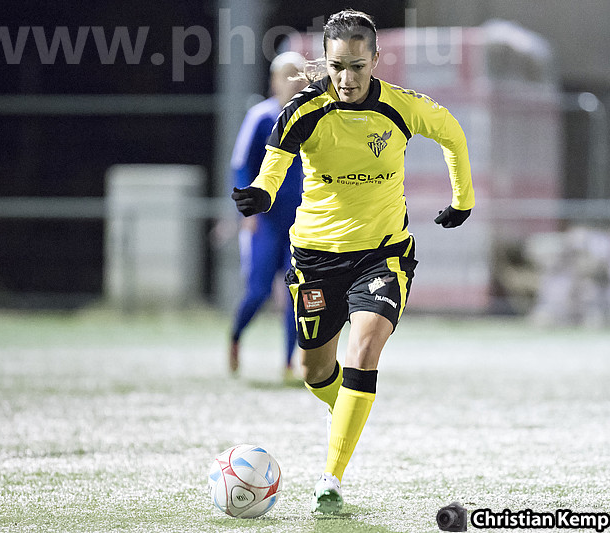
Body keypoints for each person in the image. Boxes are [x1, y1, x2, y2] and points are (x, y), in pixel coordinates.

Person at [232, 9, 474, 514]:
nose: (346, 78)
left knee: (364, 352)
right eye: (337, 66)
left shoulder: (401, 107)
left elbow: (452, 132)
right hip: (315, 259)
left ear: (376, 60)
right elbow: (275, 163)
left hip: (382, 255)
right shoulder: (303, 110)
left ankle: (331, 480)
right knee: (315, 370)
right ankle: (352, 410)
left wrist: (462, 199)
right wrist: (261, 193)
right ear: (326, 61)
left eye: (358, 66)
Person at [227, 52, 307, 378]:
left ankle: (289, 363)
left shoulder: (313, 117)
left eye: (299, 74)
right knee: (258, 291)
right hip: (267, 222)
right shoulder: (261, 117)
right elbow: (240, 165)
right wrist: (247, 211)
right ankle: (235, 335)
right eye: (288, 74)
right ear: (274, 81)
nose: (294, 81)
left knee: (296, 292)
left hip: (300, 223)